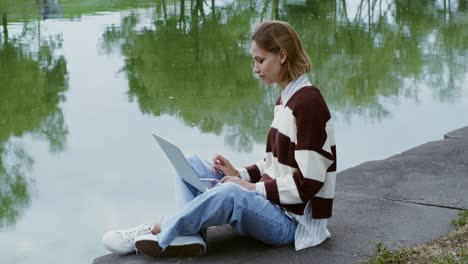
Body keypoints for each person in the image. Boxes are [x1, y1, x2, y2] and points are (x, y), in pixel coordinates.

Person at [102, 20, 337, 258]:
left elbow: (309, 183)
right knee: (191, 164)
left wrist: (250, 188)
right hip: (274, 206)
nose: (255, 69)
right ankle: (190, 236)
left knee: (232, 194)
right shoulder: (286, 100)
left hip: (292, 224)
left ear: (282, 56)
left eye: (260, 60)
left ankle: (160, 229)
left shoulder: (308, 105)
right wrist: (238, 174)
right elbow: (273, 163)